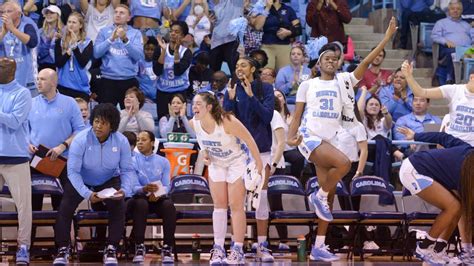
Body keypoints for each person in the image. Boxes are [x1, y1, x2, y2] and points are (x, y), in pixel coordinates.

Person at [287, 17, 397, 261]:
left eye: (335, 59)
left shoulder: (344, 80)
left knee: (328, 199)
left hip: (331, 139)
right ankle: (318, 195)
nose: (331, 61)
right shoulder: (308, 84)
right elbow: (296, 115)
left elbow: (367, 62)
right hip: (310, 136)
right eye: (326, 58)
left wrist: (386, 39)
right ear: (318, 62)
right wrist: (290, 136)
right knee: (345, 164)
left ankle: (319, 246)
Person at [52, 103, 135, 265]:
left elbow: (127, 170)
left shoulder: (121, 141)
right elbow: (73, 172)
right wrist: (88, 194)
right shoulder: (80, 139)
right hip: (81, 178)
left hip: (108, 178)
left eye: (103, 123)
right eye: (96, 121)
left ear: (112, 126)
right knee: (65, 208)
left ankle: (111, 248)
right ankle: (62, 249)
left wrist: (125, 189)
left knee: (118, 208)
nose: (98, 126)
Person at [190, 91, 263, 264]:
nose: (194, 107)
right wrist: (205, 154)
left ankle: (237, 249)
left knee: (236, 206)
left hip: (237, 161)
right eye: (193, 103)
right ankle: (218, 248)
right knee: (219, 206)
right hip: (217, 163)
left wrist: (259, 165)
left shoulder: (227, 122)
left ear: (209, 107)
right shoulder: (194, 123)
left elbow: (250, 140)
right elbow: (202, 141)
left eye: (198, 104)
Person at [224, 56, 275, 262]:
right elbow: (227, 121)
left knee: (260, 199)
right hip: (239, 153)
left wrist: (251, 96)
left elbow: (267, 117)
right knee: (238, 202)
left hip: (261, 151)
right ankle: (238, 245)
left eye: (243, 65)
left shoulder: (265, 89)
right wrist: (229, 99)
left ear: (253, 68)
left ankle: (262, 244)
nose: (239, 68)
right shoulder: (233, 88)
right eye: (236, 66)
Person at [397, 128, 474, 264]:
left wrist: (416, 135)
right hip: (413, 170)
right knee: (453, 206)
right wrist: (415, 135)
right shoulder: (468, 173)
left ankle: (439, 250)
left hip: (421, 168)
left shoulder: (467, 149)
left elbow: (442, 137)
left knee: (459, 207)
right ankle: (424, 247)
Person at [28, 68, 85, 211]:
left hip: (61, 160)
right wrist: (27, 144)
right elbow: (23, 130)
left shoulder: (70, 103)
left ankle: (62, 234)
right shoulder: (30, 103)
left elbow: (80, 130)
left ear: (53, 82)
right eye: (38, 79)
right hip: (36, 160)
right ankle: (30, 234)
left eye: (43, 79)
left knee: (61, 207)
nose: (38, 82)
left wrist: (63, 146)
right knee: (33, 206)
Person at [0, 57, 32, 264]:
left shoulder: (23, 93)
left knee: (23, 205)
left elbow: (14, 122)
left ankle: (23, 246)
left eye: (2, 66)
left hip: (16, 156)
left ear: (12, 70)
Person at [127, 130, 176, 264]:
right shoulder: (131, 161)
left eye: (143, 140)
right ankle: (139, 246)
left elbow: (167, 185)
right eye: (138, 140)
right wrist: (144, 189)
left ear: (152, 143)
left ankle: (167, 248)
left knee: (169, 206)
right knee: (141, 204)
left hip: (158, 198)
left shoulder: (163, 162)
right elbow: (133, 186)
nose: (140, 142)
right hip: (141, 197)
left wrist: (158, 193)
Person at [401, 60, 474, 146]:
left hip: (470, 149)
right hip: (451, 144)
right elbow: (421, 93)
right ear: (472, 78)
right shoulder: (454, 90)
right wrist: (409, 76)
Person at [94, 4, 143, 109]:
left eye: (122, 13)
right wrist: (110, 39)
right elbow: (96, 53)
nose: (117, 15)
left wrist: (125, 39)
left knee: (130, 116)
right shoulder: (104, 31)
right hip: (107, 80)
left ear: (129, 17)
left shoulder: (135, 33)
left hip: (128, 80)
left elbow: (138, 56)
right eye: (116, 12)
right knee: (105, 116)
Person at [153, 21, 193, 120]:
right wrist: (163, 51)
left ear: (183, 36)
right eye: (171, 31)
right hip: (163, 92)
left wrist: (176, 52)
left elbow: (178, 71)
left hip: (179, 92)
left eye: (176, 32)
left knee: (180, 123)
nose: (173, 34)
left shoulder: (186, 52)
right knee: (163, 121)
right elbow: (157, 71)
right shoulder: (160, 49)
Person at [0, 1, 39, 95]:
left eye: (8, 11)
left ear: (18, 13)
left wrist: (13, 29)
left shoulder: (28, 25)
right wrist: (4, 33)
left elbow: (32, 43)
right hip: (8, 80)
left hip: (28, 80)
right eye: (2, 12)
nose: (5, 15)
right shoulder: (2, 28)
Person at [267, 97, 290, 250]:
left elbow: (281, 143)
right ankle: (261, 239)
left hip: (276, 163)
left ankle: (284, 240)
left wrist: (274, 163)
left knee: (276, 204)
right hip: (260, 162)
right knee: (258, 203)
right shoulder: (258, 115)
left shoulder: (274, 115)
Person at [253, 0, 301, 71]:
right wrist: (267, 8)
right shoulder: (262, 9)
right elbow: (257, 27)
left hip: (284, 46)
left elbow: (298, 29)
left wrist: (289, 32)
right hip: (267, 46)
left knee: (284, 74)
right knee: (266, 73)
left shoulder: (288, 9)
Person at [431, 1, 472, 84]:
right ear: (448, 10)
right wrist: (445, 41)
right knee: (453, 53)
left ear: (461, 11)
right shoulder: (441, 23)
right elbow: (434, 36)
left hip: (467, 50)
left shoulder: (467, 25)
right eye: (453, 9)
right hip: (449, 48)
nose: (455, 11)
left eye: (458, 9)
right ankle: (450, 77)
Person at [55, 12, 93, 101]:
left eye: (74, 22)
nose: (71, 25)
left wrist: (75, 46)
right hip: (63, 86)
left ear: (80, 25)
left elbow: (82, 63)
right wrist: (68, 53)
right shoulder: (60, 41)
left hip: (80, 88)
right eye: (69, 22)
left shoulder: (87, 42)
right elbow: (58, 63)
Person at [274, 89, 305, 179]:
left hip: (288, 149)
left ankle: (295, 180)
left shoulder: (292, 117)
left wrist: (291, 124)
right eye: (275, 97)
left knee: (299, 158)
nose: (277, 98)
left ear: (284, 99)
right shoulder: (271, 116)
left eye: (279, 96)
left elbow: (296, 136)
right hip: (275, 149)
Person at [208, 0, 243, 75]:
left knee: (234, 70)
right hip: (217, 41)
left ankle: (237, 86)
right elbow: (213, 27)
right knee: (213, 71)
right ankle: (212, 86)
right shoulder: (217, 6)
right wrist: (212, 23)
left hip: (232, 40)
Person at [137, 37, 158, 119]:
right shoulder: (139, 62)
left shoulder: (159, 62)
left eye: (152, 50)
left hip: (158, 96)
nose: (149, 52)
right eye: (147, 49)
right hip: (145, 98)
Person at [37, 5, 62, 71]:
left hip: (58, 67)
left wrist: (61, 40)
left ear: (58, 16)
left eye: (52, 13)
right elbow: (39, 54)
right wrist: (48, 40)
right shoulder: (40, 32)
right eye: (47, 13)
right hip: (43, 66)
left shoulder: (64, 32)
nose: (48, 15)